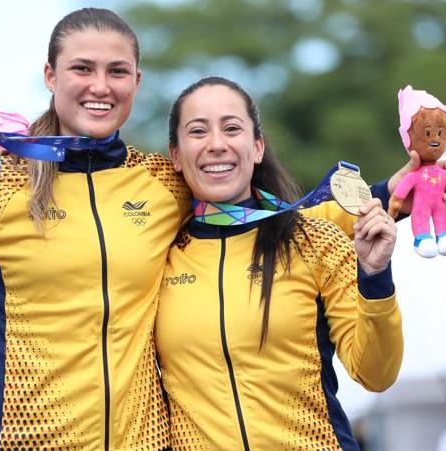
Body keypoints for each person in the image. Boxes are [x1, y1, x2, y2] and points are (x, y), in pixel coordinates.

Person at [0, 8, 413, 450]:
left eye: (116, 71)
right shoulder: (2, 185)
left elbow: (260, 218)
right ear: (51, 75)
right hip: (21, 437)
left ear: (136, 82)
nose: (100, 86)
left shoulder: (162, 181)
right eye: (82, 68)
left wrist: (395, 193)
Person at [154, 76, 403, 450]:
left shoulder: (313, 241)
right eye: (198, 131)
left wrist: (375, 276)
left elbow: (377, 373)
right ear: (175, 155)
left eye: (232, 128)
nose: (216, 144)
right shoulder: (158, 256)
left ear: (257, 147)